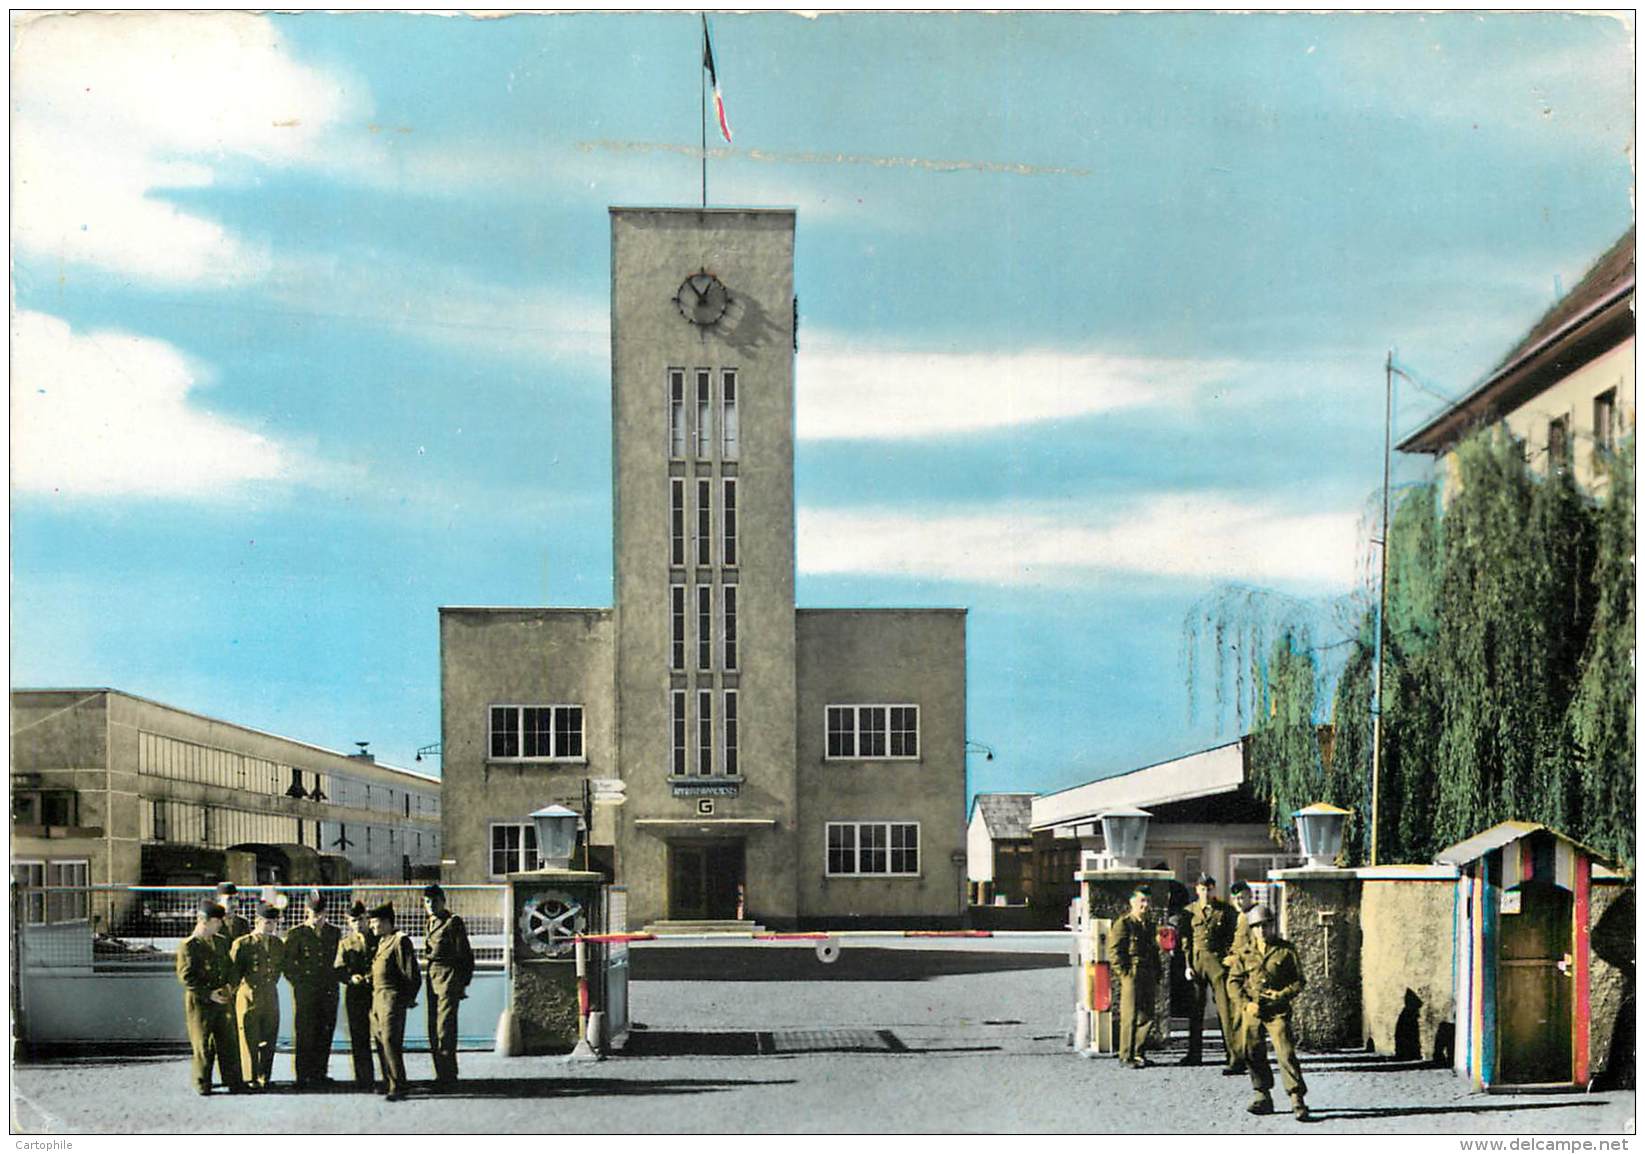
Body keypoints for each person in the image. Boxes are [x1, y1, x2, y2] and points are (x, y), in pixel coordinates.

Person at [1230, 903, 1310, 1121]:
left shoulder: (1286, 950)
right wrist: (1246, 1004)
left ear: (1272, 926)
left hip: (1277, 1011)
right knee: (1252, 1052)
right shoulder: (1244, 952)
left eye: (1265, 926)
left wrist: (1282, 995)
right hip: (1253, 1010)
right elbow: (1233, 983)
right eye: (1256, 927)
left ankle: (1296, 1098)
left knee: (1285, 1052)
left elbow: (1299, 981)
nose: (1261, 931)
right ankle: (1262, 1095)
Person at [176, 901, 245, 1096]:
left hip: (223, 999)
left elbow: (231, 967)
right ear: (203, 921)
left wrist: (230, 986)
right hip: (201, 1003)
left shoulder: (222, 941)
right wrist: (209, 994)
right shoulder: (189, 946)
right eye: (216, 922)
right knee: (203, 1044)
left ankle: (233, 1081)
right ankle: (202, 1083)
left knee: (228, 1042)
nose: (219, 925)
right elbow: (186, 977)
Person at [1182, 872, 1240, 1070]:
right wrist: (1187, 965)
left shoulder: (1225, 911)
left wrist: (1230, 957)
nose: (1206, 892)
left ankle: (1233, 1056)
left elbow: (1234, 936)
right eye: (1202, 889)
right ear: (1197, 890)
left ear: (1214, 889)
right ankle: (1194, 1054)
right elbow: (1186, 942)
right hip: (1198, 963)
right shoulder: (1189, 911)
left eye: (1209, 889)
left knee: (1225, 1010)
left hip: (1218, 963)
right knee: (1195, 1011)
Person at [284, 892, 342, 1088]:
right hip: (306, 991)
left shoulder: (334, 933)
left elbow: (338, 960)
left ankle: (320, 1073)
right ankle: (303, 1075)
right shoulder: (296, 934)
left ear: (326, 913)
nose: (317, 918)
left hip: (328, 990)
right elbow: (289, 965)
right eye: (313, 913)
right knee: (305, 1032)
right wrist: (300, 984)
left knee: (325, 1031)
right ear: (305, 912)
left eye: (321, 914)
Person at [421, 883, 474, 1084]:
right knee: (433, 1027)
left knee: (445, 1029)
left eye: (435, 901)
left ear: (443, 901)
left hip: (448, 977)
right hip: (432, 977)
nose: (431, 905)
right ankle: (440, 1073)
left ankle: (448, 1075)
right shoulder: (430, 922)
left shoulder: (453, 922)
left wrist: (462, 984)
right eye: (427, 902)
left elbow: (465, 955)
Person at [230, 902, 286, 1090]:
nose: (271, 927)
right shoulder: (243, 943)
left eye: (274, 923)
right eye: (267, 922)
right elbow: (234, 972)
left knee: (269, 1037)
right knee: (249, 1038)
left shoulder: (277, 943)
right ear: (257, 921)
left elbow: (278, 969)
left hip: (270, 994)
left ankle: (265, 1076)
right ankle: (250, 1077)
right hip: (248, 995)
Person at [368, 902, 420, 1101]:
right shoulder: (382, 942)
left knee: (391, 1041)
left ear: (388, 922)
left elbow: (412, 974)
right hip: (377, 998)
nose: (372, 926)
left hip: (392, 998)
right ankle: (388, 1082)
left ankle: (399, 1085)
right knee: (381, 1041)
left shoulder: (400, 941)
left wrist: (407, 998)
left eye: (376, 922)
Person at [1109, 884, 1161, 1069]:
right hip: (1132, 972)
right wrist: (1125, 974)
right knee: (1130, 1015)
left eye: (1147, 901)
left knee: (1147, 1015)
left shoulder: (1149, 925)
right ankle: (1127, 1054)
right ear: (1132, 902)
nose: (1145, 905)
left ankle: (1139, 1052)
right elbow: (1115, 952)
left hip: (1148, 972)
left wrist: (1158, 972)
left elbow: (1154, 951)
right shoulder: (1124, 924)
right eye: (1141, 901)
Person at [334, 900, 379, 1089]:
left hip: (377, 993)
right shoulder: (345, 944)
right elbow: (338, 969)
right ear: (348, 922)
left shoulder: (378, 939)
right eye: (354, 920)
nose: (358, 924)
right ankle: (364, 1079)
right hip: (356, 994)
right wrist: (351, 978)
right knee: (359, 1037)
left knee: (382, 1036)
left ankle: (390, 1077)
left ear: (367, 919)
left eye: (361, 919)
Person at [1220, 880, 1258, 1076]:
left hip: (1248, 974)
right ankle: (1238, 1059)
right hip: (1237, 972)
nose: (1239, 901)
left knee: (1244, 1019)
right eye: (1235, 898)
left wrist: (1236, 957)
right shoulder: (1240, 916)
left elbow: (1255, 945)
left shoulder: (1255, 916)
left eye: (1242, 897)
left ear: (1250, 896)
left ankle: (1244, 1060)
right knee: (1235, 1018)